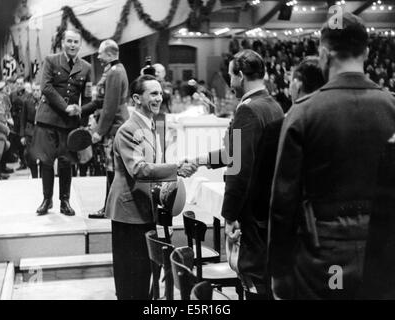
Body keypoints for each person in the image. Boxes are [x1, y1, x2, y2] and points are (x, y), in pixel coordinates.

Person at [268, 12, 395, 300]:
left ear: (323, 54)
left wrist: (278, 271)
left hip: (323, 256)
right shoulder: (392, 108)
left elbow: (282, 202)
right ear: (367, 52)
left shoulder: (303, 112)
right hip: (384, 254)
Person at [192, 49, 284, 299]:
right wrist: (201, 160)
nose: (231, 84)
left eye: (231, 77)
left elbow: (238, 167)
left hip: (251, 214)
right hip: (267, 210)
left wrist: (229, 215)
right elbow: (235, 153)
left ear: (241, 76)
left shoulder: (248, 110)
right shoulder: (273, 105)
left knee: (252, 281)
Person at [105, 74, 197, 300]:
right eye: (153, 93)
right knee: (131, 280)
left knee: (145, 275)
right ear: (137, 98)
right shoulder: (128, 129)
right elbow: (139, 169)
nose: (159, 97)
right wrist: (176, 168)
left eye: (160, 92)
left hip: (144, 209)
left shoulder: (151, 125)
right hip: (128, 212)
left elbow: (153, 166)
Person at [31, 29, 91, 216]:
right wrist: (66, 107)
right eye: (69, 41)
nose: (73, 45)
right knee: (46, 161)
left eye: (76, 42)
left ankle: (64, 201)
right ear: (63, 43)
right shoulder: (51, 60)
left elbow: (87, 97)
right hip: (48, 120)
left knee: (66, 162)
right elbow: (46, 88)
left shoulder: (86, 67)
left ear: (80, 45)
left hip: (70, 124)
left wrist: (83, 125)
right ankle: (46, 199)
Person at [84, 39, 129, 219]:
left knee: (112, 169)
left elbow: (110, 107)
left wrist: (99, 132)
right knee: (112, 169)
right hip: (115, 124)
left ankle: (109, 208)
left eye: (101, 53)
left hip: (114, 126)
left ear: (110, 54)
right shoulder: (114, 70)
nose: (98, 55)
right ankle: (110, 206)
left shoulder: (114, 72)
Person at [20, 82, 41, 178]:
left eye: (38, 90)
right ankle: (34, 176)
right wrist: (22, 135)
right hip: (30, 131)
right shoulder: (27, 102)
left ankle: (43, 177)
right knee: (31, 156)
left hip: (42, 131)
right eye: (34, 90)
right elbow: (22, 119)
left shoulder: (46, 102)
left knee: (43, 156)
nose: (36, 92)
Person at [10, 76, 27, 170]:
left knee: (26, 142)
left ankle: (27, 161)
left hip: (25, 121)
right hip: (16, 121)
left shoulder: (28, 94)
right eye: (18, 83)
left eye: (21, 83)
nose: (19, 85)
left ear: (24, 84)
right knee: (18, 143)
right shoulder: (12, 94)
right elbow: (9, 107)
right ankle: (22, 162)